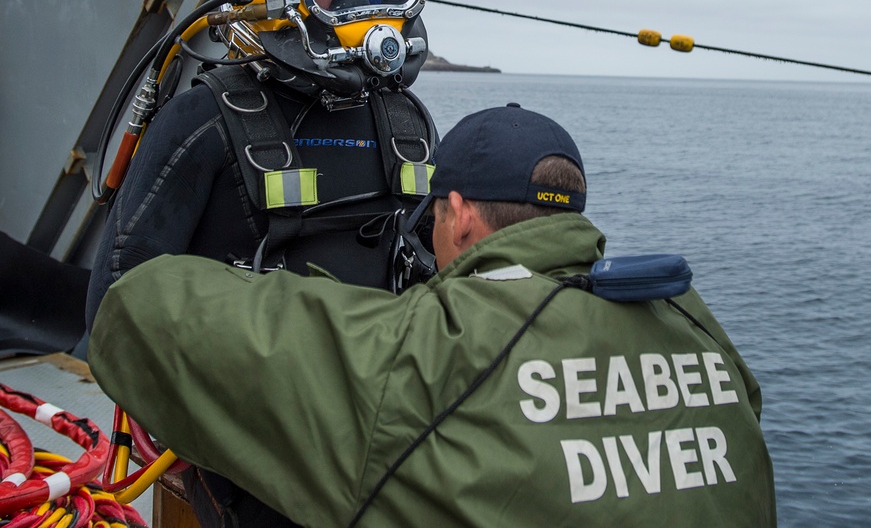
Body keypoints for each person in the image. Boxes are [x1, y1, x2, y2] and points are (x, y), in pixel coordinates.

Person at [89, 103, 777, 527]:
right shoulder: (694, 325)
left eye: (435, 218)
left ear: (462, 214)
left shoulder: (417, 357)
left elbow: (140, 302)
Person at [86, 0, 437, 528]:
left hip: (374, 425)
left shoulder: (404, 124)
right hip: (243, 439)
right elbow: (116, 306)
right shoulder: (205, 122)